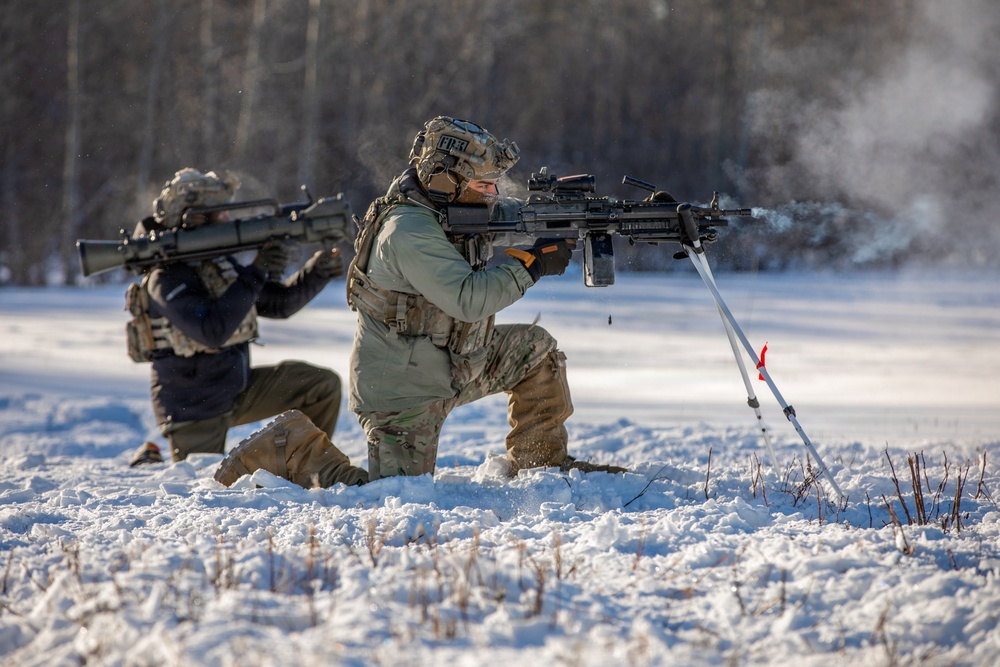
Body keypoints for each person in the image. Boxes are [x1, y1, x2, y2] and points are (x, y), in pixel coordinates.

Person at [346, 116, 626, 480]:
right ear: (445, 180)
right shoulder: (408, 229)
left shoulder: (445, 209)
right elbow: (469, 299)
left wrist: (584, 216)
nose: (493, 194)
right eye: (485, 185)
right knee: (388, 494)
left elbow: (510, 217)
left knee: (534, 348)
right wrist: (533, 264)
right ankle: (291, 452)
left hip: (455, 363)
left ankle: (541, 464)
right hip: (403, 395)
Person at [126, 168, 365, 488]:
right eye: (218, 211)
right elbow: (212, 330)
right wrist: (255, 272)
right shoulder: (164, 277)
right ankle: (151, 463)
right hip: (195, 407)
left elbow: (277, 304)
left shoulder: (218, 264)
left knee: (321, 386)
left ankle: (307, 464)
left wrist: (317, 273)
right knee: (213, 485)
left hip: (235, 389)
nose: (227, 216)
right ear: (193, 219)